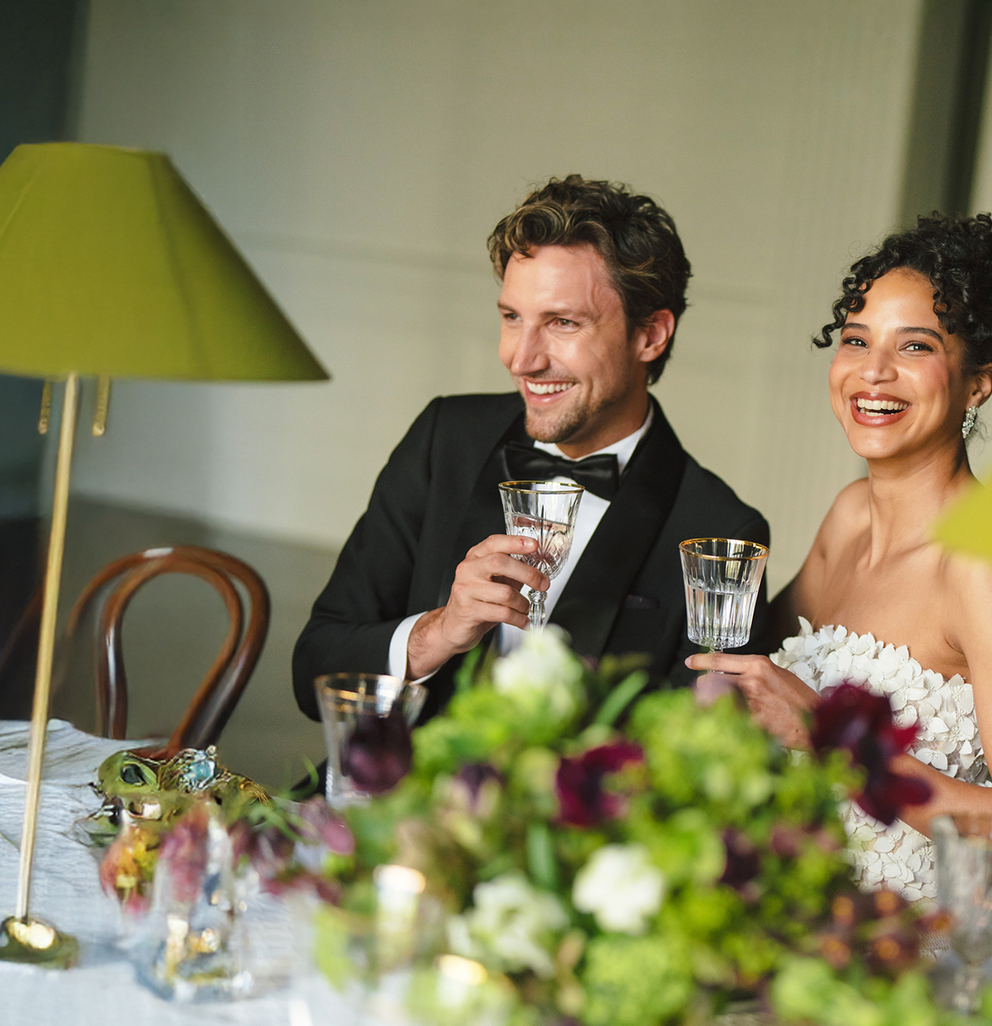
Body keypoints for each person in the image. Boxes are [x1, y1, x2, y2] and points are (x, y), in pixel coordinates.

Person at [687, 214, 992, 903]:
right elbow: (751, 667)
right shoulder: (849, 515)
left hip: (902, 938)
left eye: (915, 346)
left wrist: (835, 740)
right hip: (785, 901)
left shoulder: (984, 564)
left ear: (978, 383)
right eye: (856, 340)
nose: (873, 372)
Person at [294, 176, 770, 722]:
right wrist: (438, 631)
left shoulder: (721, 530)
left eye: (562, 323)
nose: (521, 359)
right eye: (511, 317)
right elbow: (313, 672)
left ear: (650, 335)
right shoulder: (444, 438)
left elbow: (695, 750)